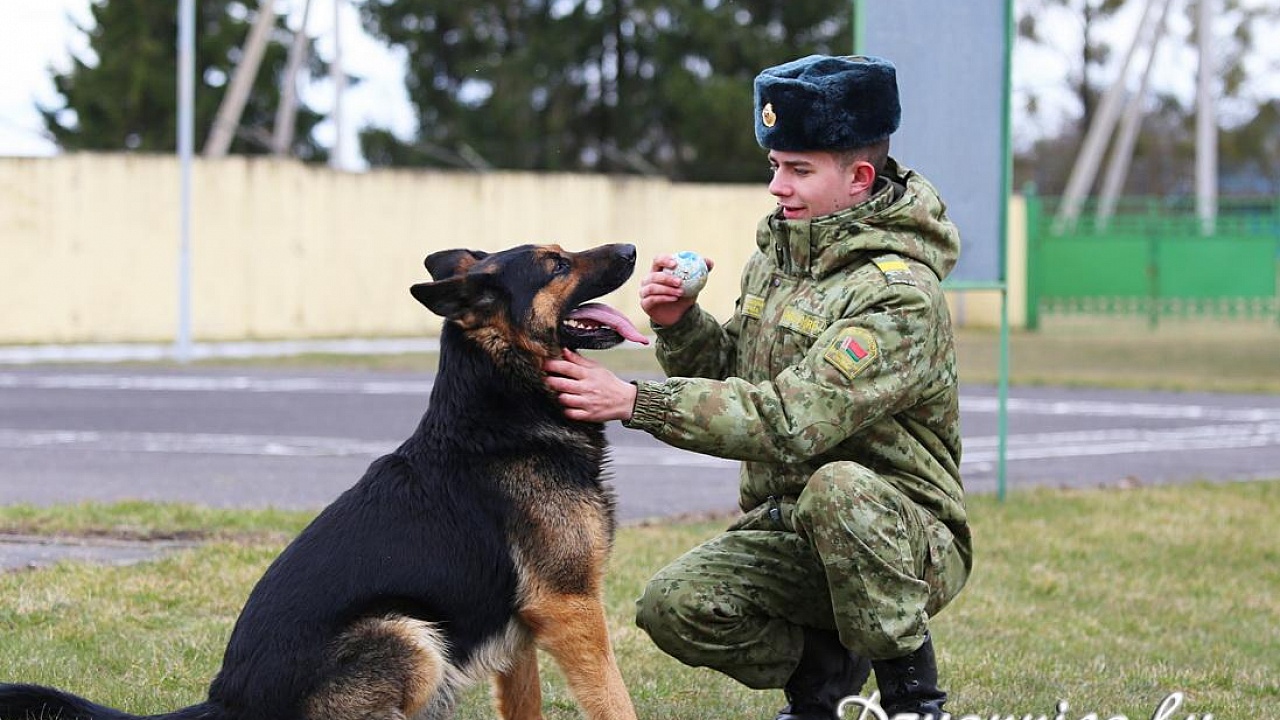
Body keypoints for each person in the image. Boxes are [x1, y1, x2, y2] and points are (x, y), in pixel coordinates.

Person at [543, 54, 971, 720]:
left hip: (903, 538)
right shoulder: (777, 258)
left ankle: (914, 697)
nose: (778, 186)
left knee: (839, 489)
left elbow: (788, 419)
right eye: (774, 165)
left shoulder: (897, 295)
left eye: (799, 169)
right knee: (673, 607)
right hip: (790, 525)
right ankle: (824, 683)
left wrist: (635, 402)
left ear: (859, 178)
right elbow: (735, 382)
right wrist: (680, 323)